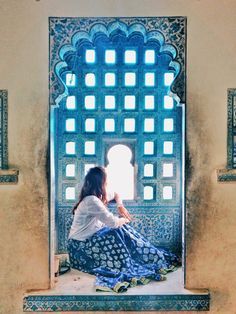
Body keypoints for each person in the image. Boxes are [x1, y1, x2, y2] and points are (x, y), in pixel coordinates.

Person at [68, 166, 180, 293]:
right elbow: (114, 223)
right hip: (80, 248)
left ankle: (149, 255)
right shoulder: (92, 201)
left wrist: (120, 206)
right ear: (101, 182)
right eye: (106, 180)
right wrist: (125, 219)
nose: (107, 183)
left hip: (89, 240)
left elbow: (116, 193)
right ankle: (146, 256)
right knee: (117, 229)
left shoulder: (96, 196)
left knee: (118, 230)